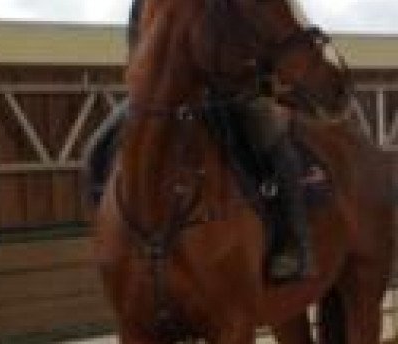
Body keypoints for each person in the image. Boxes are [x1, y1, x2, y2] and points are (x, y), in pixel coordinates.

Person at [85, 0, 312, 282]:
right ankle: (109, 235)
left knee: (275, 144)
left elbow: (250, 36)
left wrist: (242, 77)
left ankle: (292, 242)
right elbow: (137, 41)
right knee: (95, 149)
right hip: (157, 94)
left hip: (225, 86)